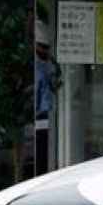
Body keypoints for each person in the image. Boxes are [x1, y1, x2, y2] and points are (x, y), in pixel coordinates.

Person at [34, 20, 60, 176]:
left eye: (46, 48)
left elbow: (55, 85)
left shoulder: (48, 64)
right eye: (42, 47)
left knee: (44, 155)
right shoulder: (40, 66)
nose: (45, 51)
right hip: (39, 115)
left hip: (46, 116)